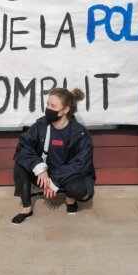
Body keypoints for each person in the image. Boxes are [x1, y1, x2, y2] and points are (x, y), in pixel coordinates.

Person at [11, 88, 95, 224]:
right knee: (20, 165)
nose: (48, 109)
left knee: (79, 189)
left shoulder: (80, 133)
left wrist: (55, 180)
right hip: (46, 171)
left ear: (65, 109)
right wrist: (39, 167)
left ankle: (70, 199)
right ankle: (26, 208)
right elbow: (23, 146)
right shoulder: (41, 125)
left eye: (53, 106)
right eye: (48, 104)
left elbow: (82, 163)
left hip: (68, 175)